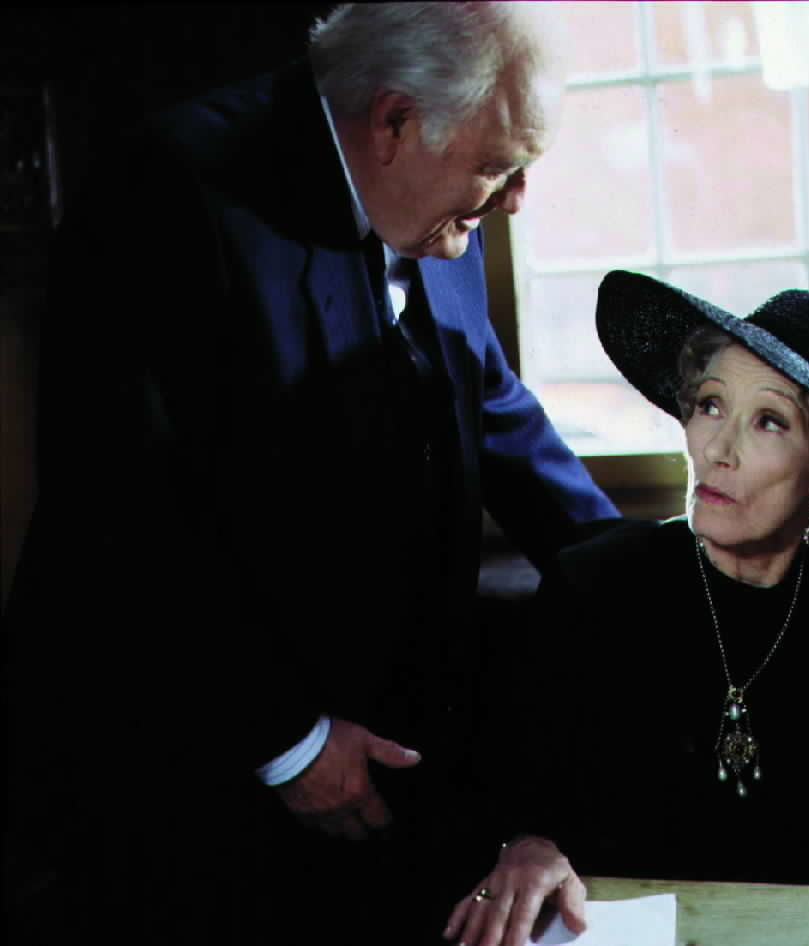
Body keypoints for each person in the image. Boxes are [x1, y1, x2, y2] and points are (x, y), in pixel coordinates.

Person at [3, 5, 620, 944]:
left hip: (369, 766)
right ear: (395, 122)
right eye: (503, 165)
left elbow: (496, 416)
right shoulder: (166, 191)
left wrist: (650, 582)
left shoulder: (440, 201)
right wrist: (285, 741)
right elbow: (123, 520)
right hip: (186, 769)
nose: (518, 198)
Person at [445, 272, 809, 946]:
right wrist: (528, 842)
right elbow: (517, 786)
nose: (716, 449)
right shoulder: (593, 586)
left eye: (768, 421)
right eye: (711, 405)